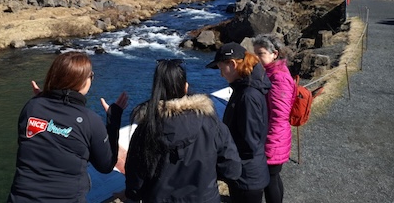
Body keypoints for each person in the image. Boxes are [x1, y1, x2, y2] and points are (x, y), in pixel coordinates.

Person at [7, 51, 128, 202]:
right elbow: (106, 166)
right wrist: (114, 120)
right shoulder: (89, 120)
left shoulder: (31, 107)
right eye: (91, 75)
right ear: (82, 81)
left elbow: (40, 138)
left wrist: (43, 99)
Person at [124, 59, 242, 202]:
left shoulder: (147, 130)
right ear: (185, 87)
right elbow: (232, 170)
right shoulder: (210, 123)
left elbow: (134, 182)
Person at [205, 42, 272, 203]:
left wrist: (224, 153)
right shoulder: (247, 88)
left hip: (246, 175)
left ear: (233, 64)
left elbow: (249, 142)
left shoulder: (247, 95)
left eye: (222, 68)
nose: (221, 74)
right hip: (251, 171)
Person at [252, 34, 296, 203]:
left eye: (261, 53)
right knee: (273, 177)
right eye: (255, 53)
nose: (256, 58)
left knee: (270, 180)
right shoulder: (272, 72)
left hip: (274, 137)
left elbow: (279, 115)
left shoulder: (278, 77)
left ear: (274, 54)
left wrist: (266, 140)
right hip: (275, 136)